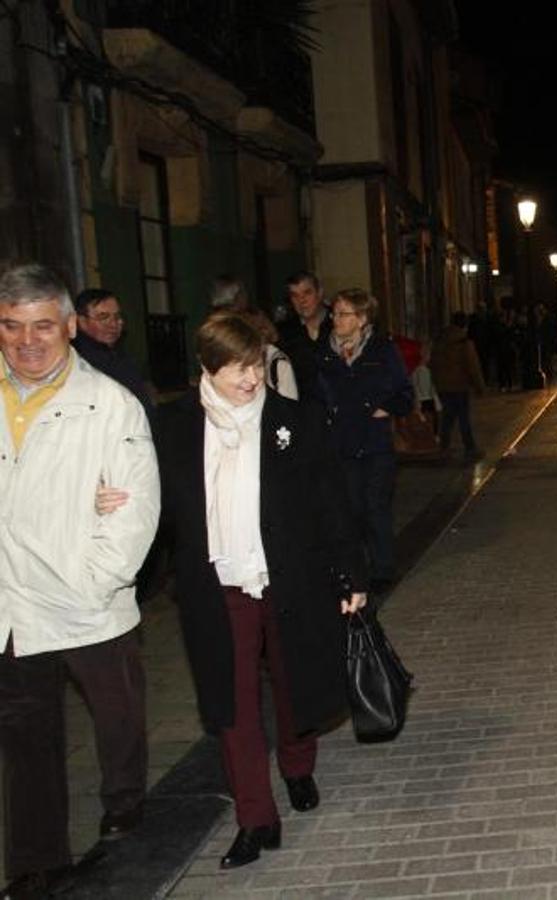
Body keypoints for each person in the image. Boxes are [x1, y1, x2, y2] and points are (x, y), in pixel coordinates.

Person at [152, 311, 367, 869]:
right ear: (206, 367)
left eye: (256, 367)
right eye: (235, 369)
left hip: (289, 576)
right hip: (216, 586)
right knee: (232, 704)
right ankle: (255, 818)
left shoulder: (295, 420)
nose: (250, 380)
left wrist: (350, 575)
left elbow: (331, 504)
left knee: (294, 681)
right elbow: (155, 501)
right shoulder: (174, 426)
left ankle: (298, 767)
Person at [0, 263, 160, 895]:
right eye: (12, 326)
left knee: (116, 712)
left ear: (70, 327)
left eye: (43, 325)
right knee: (25, 735)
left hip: (87, 595)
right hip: (12, 602)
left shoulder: (108, 405)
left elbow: (137, 508)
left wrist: (96, 581)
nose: (27, 341)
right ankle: (37, 862)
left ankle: (124, 799)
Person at [315, 289, 414, 590]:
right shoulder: (324, 352)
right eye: (334, 313)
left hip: (375, 444)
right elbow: (315, 395)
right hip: (341, 442)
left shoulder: (382, 350)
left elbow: (405, 394)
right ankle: (355, 567)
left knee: (375, 505)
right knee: (351, 508)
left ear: (362, 318)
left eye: (344, 314)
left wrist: (387, 407)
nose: (336, 319)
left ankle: (383, 568)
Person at [72, 287, 155, 414]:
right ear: (82, 321)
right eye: (103, 317)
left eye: (117, 317)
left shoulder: (120, 354)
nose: (113, 324)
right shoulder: (78, 363)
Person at [429, 312, 487, 462]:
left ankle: (444, 446)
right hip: (460, 385)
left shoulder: (440, 340)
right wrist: (480, 387)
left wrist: (436, 381)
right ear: (464, 324)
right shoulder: (464, 342)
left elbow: (433, 363)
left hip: (443, 386)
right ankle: (470, 448)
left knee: (447, 417)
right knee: (463, 418)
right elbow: (473, 367)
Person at [278, 272, 331, 400]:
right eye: (295, 295)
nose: (301, 300)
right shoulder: (285, 332)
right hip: (304, 408)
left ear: (319, 293)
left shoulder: (339, 322)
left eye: (307, 293)